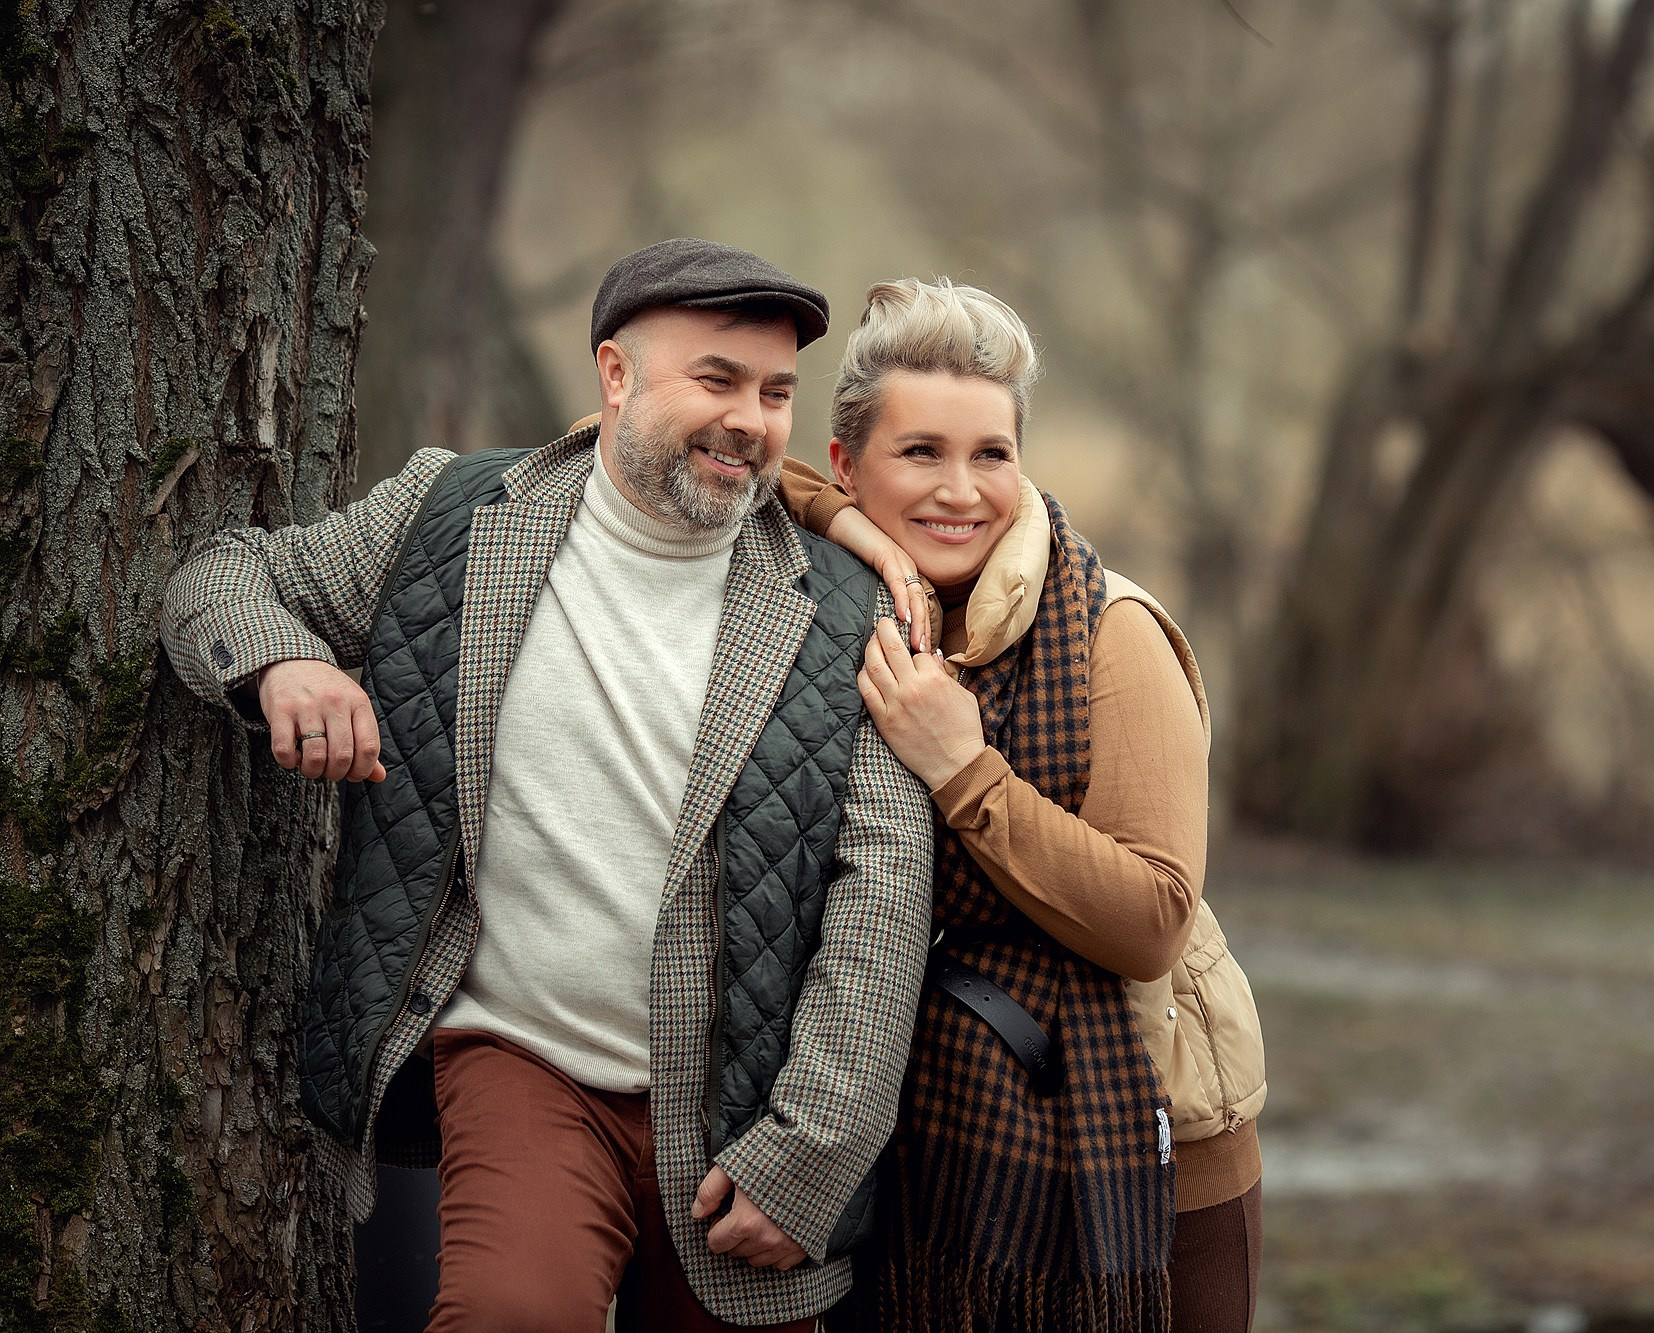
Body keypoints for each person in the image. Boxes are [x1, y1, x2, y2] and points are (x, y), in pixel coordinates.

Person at [159, 239, 937, 1332]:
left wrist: (807, 1156)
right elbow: (218, 575)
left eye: (774, 394)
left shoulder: (847, 609)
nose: (751, 421)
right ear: (613, 376)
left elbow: (883, 903)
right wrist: (282, 662)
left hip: (744, 1109)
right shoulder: (456, 516)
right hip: (525, 1063)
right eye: (713, 379)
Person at [786, 278, 1269, 1333]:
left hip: (1143, 1168)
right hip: (916, 1147)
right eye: (919, 452)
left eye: (991, 454)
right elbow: (642, 434)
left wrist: (963, 770)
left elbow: (1151, 921)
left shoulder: (1112, 632)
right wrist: (835, 524)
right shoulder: (842, 603)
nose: (960, 490)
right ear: (843, 464)